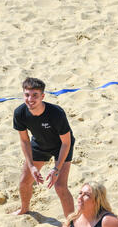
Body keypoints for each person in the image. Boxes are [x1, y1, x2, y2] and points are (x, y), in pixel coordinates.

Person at [12, 77, 75, 217]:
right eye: (27, 95)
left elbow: (66, 142)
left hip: (62, 145)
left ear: (42, 96)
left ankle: (71, 223)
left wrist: (56, 169)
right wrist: (31, 166)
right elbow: (24, 140)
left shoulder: (56, 113)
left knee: (60, 186)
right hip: (40, 143)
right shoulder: (19, 113)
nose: (30, 99)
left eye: (35, 95)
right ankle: (24, 209)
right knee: (24, 181)